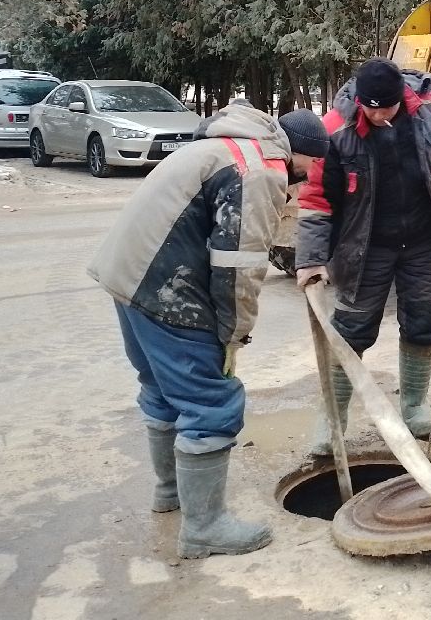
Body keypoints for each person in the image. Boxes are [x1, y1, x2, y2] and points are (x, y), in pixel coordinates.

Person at [89, 101, 330, 559]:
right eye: (315, 166)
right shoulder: (260, 169)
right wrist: (233, 335)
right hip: (165, 288)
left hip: (127, 276)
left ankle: (171, 493)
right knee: (212, 401)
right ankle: (204, 528)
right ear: (305, 155)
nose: (311, 177)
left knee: (162, 388)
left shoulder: (225, 145)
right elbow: (239, 266)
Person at [295, 58, 431, 454]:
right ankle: (332, 418)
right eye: (370, 108)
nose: (378, 115)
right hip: (364, 246)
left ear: (401, 99)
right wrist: (310, 259)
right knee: (351, 328)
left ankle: (414, 406)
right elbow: (316, 199)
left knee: (426, 320)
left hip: (423, 240)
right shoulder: (335, 129)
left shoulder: (429, 109)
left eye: (386, 108)